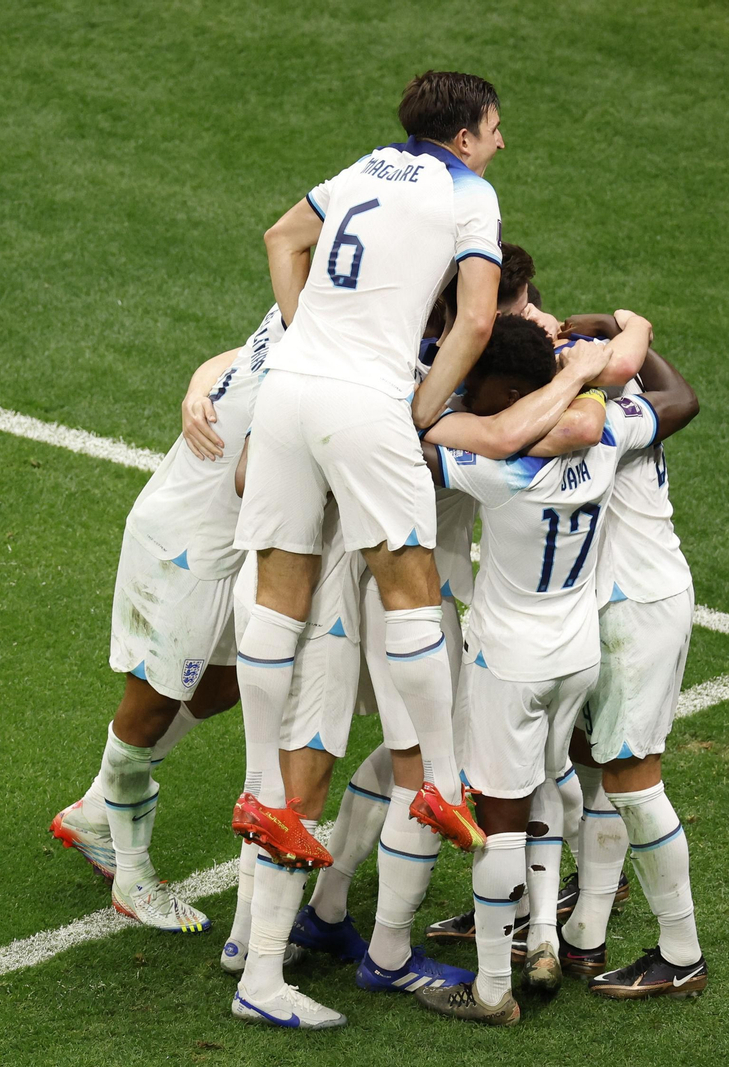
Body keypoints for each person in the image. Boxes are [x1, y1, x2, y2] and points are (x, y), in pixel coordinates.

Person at [229, 70, 504, 1030]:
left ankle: (261, 784)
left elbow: (281, 238)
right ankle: (441, 781)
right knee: (411, 584)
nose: (498, 144)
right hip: (362, 402)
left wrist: (303, 335)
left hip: (289, 389)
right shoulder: (469, 195)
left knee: (280, 585)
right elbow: (477, 318)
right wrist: (416, 408)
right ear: (465, 136)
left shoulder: (362, 168)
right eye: (494, 129)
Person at [410, 312, 662, 1027]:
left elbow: (417, 439)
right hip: (576, 653)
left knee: (500, 819)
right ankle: (545, 937)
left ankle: (493, 988)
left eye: (482, 386)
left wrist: (487, 420)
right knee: (550, 784)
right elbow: (667, 405)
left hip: (510, 663)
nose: (471, 395)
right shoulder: (607, 435)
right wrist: (609, 355)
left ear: (516, 391)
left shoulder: (496, 467)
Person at [49, 304, 282, 933]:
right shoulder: (327, 332)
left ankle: (95, 811)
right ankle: (133, 877)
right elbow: (247, 473)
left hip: (231, 550)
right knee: (149, 709)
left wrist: (199, 390)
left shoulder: (321, 316)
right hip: (188, 549)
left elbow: (232, 361)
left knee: (221, 686)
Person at [559, 346, 706, 998]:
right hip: (620, 600)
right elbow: (679, 394)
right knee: (586, 753)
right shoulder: (629, 403)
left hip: (634, 608)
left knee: (631, 776)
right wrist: (623, 331)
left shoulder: (593, 420)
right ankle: (586, 929)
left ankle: (682, 953)